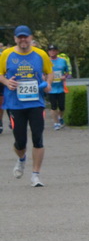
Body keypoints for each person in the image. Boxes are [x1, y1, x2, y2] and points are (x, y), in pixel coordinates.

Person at [4, 26, 52, 187]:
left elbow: (49, 72)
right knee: (20, 142)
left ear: (31, 37)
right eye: (20, 37)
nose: (23, 40)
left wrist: (48, 84)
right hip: (15, 104)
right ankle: (21, 158)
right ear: (15, 39)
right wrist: (6, 82)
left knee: (38, 137)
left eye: (25, 37)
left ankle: (35, 175)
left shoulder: (41, 54)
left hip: (36, 103)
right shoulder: (6, 54)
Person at [44, 44, 69, 130]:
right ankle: (56, 123)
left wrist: (64, 76)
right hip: (51, 88)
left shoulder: (63, 61)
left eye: (54, 50)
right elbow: (43, 73)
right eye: (50, 50)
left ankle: (60, 117)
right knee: (53, 106)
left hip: (61, 88)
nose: (52, 52)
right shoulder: (46, 61)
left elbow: (67, 72)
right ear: (48, 52)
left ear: (57, 51)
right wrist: (46, 79)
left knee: (62, 107)